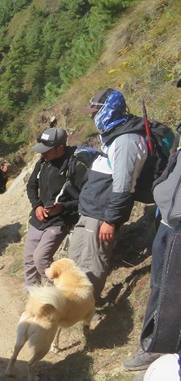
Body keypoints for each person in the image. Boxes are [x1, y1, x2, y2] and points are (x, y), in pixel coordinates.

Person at [127, 78, 181, 381]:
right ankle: (155, 343)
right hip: (168, 214)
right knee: (159, 284)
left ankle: (157, 347)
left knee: (167, 291)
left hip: (179, 221)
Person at [71, 88, 148, 303]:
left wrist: (111, 220)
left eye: (96, 112)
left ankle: (86, 308)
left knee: (92, 263)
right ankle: (71, 305)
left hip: (101, 214)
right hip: (90, 209)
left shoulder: (126, 141)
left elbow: (124, 186)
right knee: (75, 260)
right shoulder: (115, 135)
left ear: (109, 111)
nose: (93, 117)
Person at [23, 128, 90, 287]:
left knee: (41, 258)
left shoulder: (75, 166)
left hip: (60, 220)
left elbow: (85, 199)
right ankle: (34, 298)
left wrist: (63, 208)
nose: (42, 153)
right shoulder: (43, 162)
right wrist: (37, 206)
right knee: (29, 259)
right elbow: (31, 186)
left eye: (47, 150)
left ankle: (60, 295)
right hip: (39, 218)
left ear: (60, 148)